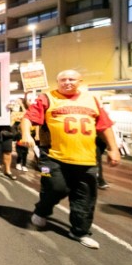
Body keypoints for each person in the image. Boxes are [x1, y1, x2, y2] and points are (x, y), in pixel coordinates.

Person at [21, 69, 121, 249]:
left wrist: (113, 149)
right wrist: (26, 134)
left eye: (72, 79)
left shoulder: (92, 100)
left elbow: (104, 126)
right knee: (54, 187)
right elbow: (28, 118)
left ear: (80, 81)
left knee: (85, 197)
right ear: (57, 82)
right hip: (52, 157)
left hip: (87, 159)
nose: (67, 82)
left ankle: (80, 231)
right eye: (63, 80)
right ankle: (42, 211)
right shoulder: (47, 98)